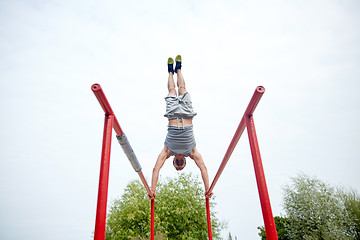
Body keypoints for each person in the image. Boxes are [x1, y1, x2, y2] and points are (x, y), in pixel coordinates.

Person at [148, 55, 213, 200]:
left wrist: (152, 189)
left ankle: (170, 71)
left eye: (177, 165)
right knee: (182, 88)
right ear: (184, 161)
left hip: (172, 115)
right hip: (187, 113)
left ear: (173, 161)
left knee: (172, 89)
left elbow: (156, 169)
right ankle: (179, 69)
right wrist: (207, 189)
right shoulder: (192, 152)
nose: (179, 164)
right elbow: (203, 168)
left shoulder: (167, 151)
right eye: (181, 165)